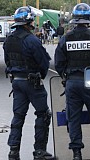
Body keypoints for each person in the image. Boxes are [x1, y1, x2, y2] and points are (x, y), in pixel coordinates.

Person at [3, 6, 54, 160]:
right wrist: (40, 76)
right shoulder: (32, 40)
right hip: (32, 83)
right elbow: (43, 63)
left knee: (18, 116)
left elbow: (7, 62)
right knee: (43, 114)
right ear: (29, 22)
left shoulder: (8, 40)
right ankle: (39, 151)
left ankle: (13, 150)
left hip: (16, 82)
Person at [54, 3, 90, 160]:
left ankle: (77, 153)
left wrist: (65, 76)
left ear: (74, 20)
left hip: (72, 82)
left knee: (73, 118)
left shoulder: (66, 38)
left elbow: (59, 63)